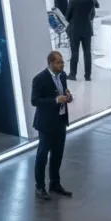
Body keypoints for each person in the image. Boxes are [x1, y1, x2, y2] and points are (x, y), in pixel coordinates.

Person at [32, 51, 73, 201]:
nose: (62, 65)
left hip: (60, 121)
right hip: (46, 124)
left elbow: (63, 92)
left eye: (62, 62)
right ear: (51, 63)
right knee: (43, 155)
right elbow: (35, 101)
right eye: (59, 63)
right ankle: (40, 186)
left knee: (57, 154)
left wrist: (68, 97)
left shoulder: (62, 76)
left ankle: (55, 183)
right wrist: (56, 100)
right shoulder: (40, 79)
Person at [64, 0, 95, 81]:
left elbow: (67, 16)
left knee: (75, 52)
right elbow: (92, 15)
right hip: (87, 30)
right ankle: (88, 76)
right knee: (87, 53)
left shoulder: (73, 1)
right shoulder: (91, 1)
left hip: (75, 31)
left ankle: (73, 75)